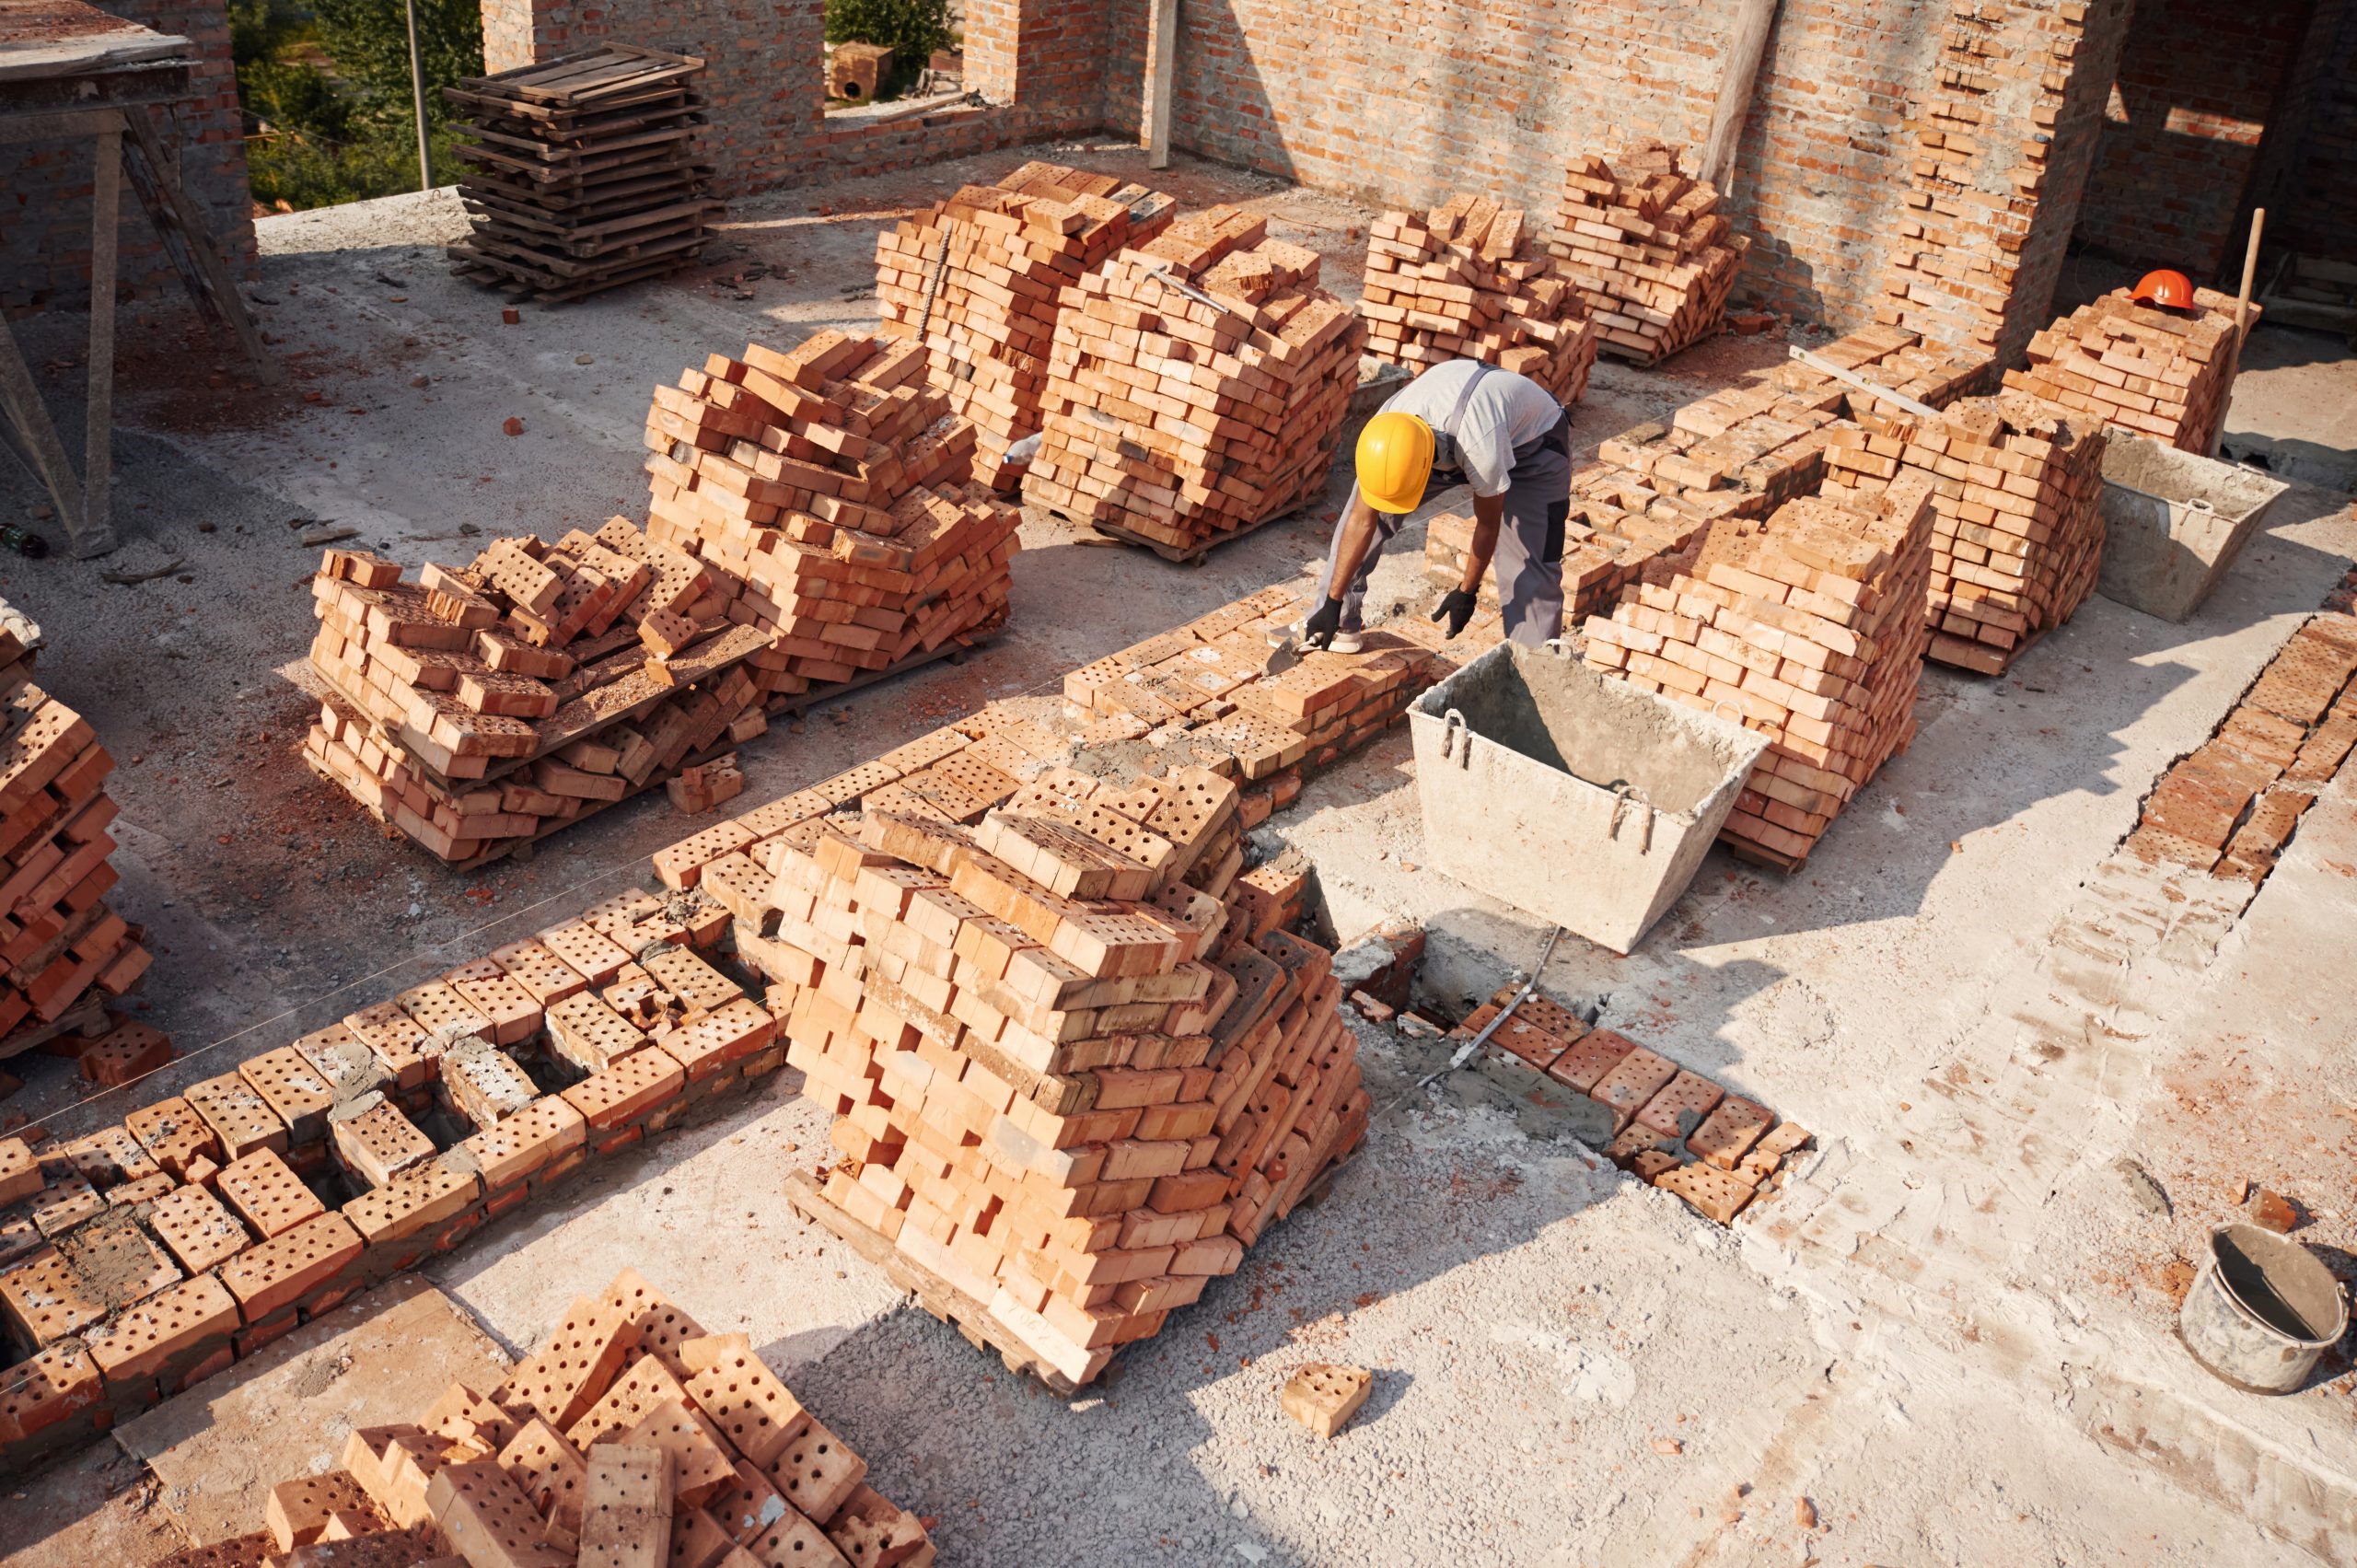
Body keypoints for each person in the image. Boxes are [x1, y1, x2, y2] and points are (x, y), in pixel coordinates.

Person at [1297, 357, 1573, 653]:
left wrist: (1467, 590)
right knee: (1371, 504)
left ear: (1428, 467)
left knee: (1532, 557)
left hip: (1536, 443)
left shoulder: (1481, 447)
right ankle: (1336, 624)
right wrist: (1332, 602)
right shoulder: (1384, 432)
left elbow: (1488, 524)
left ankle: (1537, 665)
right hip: (1457, 414)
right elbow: (1361, 521)